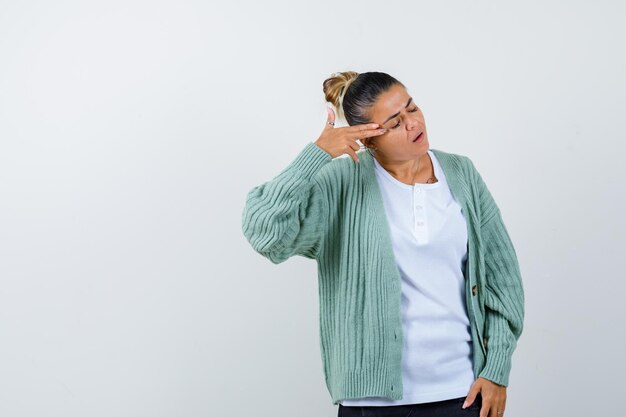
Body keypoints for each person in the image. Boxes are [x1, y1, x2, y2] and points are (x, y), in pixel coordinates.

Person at [241, 71, 525, 417]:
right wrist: (315, 155)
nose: (412, 123)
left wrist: (496, 370)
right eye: (394, 123)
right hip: (372, 404)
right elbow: (264, 231)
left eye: (412, 108)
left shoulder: (461, 172)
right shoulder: (343, 184)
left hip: (462, 394)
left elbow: (502, 279)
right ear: (369, 140)